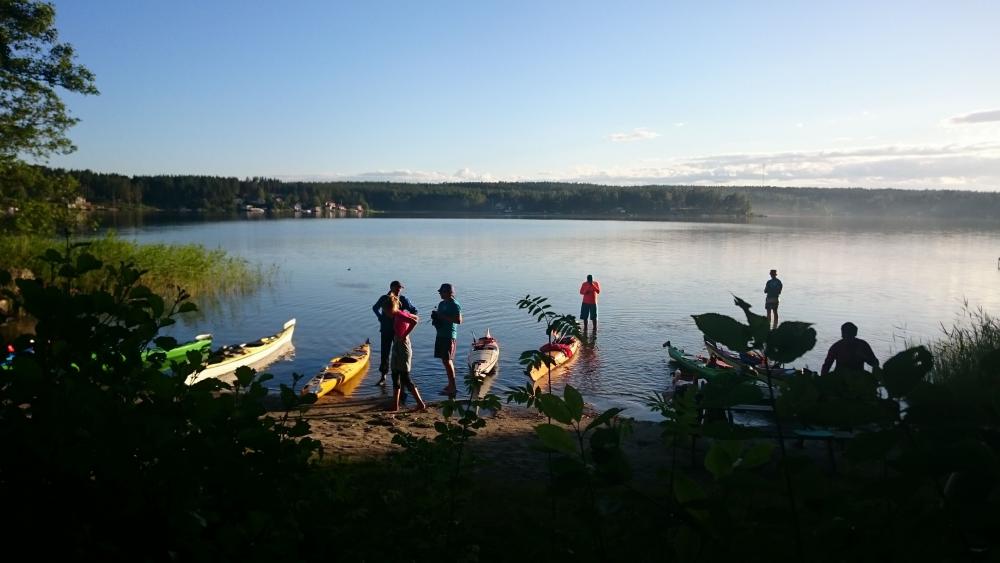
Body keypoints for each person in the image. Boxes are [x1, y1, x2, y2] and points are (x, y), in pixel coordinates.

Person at [371, 280, 417, 386]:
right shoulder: (384, 298)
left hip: (399, 332)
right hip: (386, 329)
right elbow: (375, 308)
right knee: (385, 353)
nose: (399, 289)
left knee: (400, 353)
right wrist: (380, 317)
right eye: (397, 287)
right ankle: (383, 376)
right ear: (391, 287)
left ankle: (401, 377)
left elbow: (414, 311)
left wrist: (405, 316)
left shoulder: (403, 299)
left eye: (400, 288)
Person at [389, 309, 426, 412]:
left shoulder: (399, 314)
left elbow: (415, 321)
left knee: (405, 377)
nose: (386, 313)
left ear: (390, 308)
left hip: (403, 346)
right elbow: (416, 317)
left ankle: (420, 404)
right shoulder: (400, 313)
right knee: (395, 374)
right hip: (397, 344)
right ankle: (395, 405)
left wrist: (404, 335)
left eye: (385, 310)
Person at [431, 283, 462, 396]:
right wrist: (436, 319)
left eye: (441, 292)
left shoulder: (454, 304)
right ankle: (450, 385)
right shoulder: (441, 304)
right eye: (440, 292)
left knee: (448, 361)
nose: (439, 293)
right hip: (440, 334)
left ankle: (453, 387)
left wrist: (442, 316)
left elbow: (459, 320)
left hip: (449, 335)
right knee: (445, 361)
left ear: (449, 293)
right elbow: (440, 318)